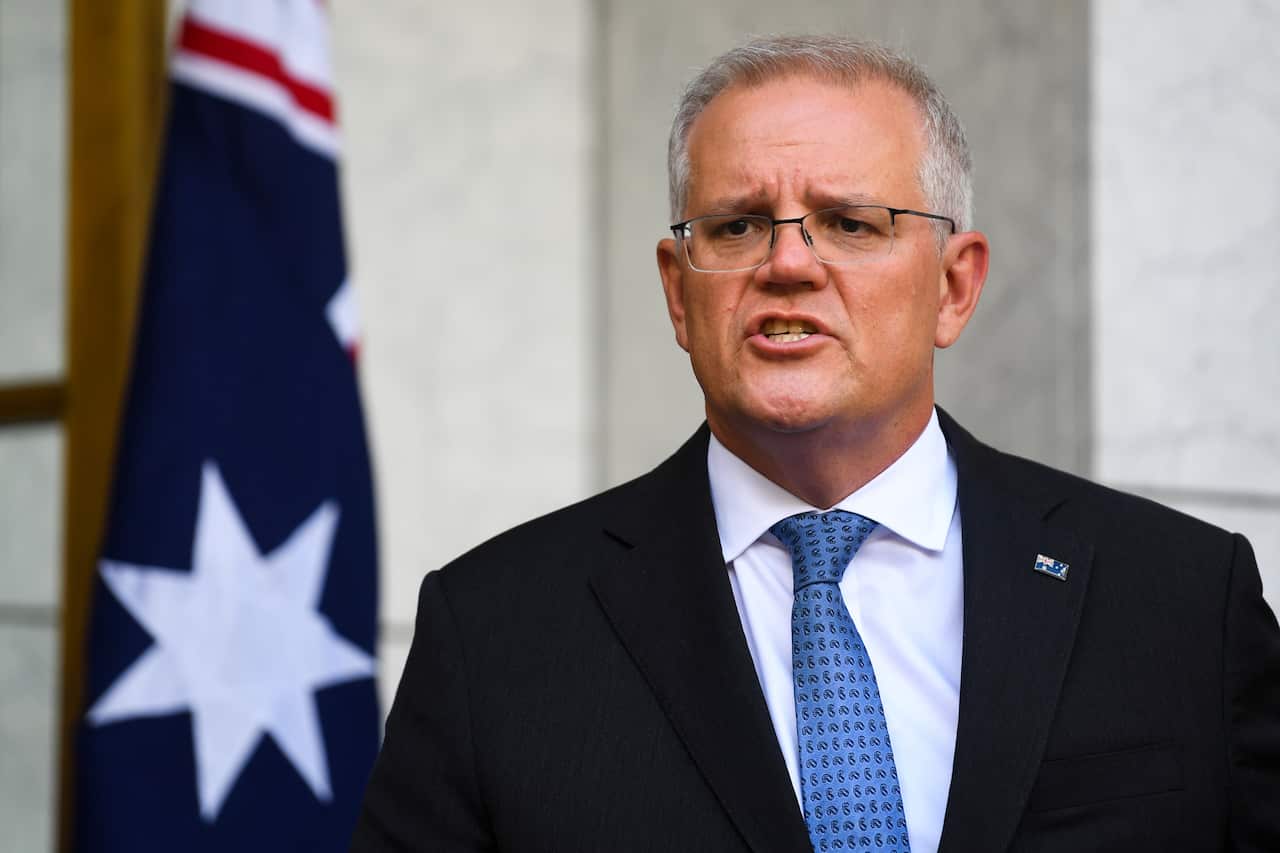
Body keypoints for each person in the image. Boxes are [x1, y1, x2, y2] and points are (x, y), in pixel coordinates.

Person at [350, 35, 1280, 853]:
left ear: (955, 287)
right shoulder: (498, 632)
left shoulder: (1183, 602)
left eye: (849, 222)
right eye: (738, 225)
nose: (788, 263)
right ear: (680, 293)